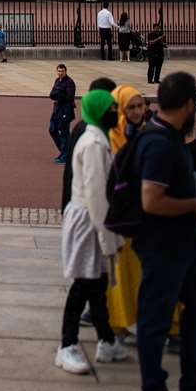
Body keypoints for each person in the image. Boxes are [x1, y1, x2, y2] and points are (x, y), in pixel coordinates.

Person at [131, 71, 196, 391]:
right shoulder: (157, 142)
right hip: (162, 244)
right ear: (186, 105)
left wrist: (193, 220)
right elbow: (150, 199)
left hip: (186, 242)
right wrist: (194, 205)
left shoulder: (169, 137)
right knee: (156, 318)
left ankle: (195, 383)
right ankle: (153, 387)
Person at [55, 88, 128, 375]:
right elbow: (98, 197)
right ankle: (67, 345)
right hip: (89, 219)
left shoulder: (97, 138)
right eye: (111, 108)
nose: (116, 113)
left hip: (88, 216)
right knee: (84, 283)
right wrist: (109, 238)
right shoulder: (96, 143)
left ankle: (107, 341)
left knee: (97, 284)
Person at [105, 84, 150, 342]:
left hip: (143, 214)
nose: (137, 112)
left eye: (140, 106)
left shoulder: (146, 134)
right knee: (120, 274)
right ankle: (119, 323)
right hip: (121, 215)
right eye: (131, 107)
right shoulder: (111, 136)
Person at [59, 75, 119, 210]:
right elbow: (94, 189)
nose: (115, 110)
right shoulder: (92, 139)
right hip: (87, 210)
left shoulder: (89, 129)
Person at [50, 64, 77, 164]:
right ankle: (65, 151)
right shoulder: (57, 81)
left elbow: (69, 98)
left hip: (66, 110)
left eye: (62, 71)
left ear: (66, 71)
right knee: (52, 129)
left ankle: (65, 155)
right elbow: (52, 95)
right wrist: (58, 94)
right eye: (59, 71)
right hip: (57, 109)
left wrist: (58, 95)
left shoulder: (70, 83)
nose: (60, 73)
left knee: (64, 133)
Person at [145, 20, 167, 85]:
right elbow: (151, 42)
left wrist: (164, 43)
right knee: (151, 67)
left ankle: (156, 79)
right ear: (154, 28)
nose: (158, 29)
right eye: (156, 27)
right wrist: (159, 38)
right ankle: (150, 79)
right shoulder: (150, 34)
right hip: (152, 53)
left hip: (160, 52)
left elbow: (164, 43)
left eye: (159, 28)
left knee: (159, 67)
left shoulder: (161, 34)